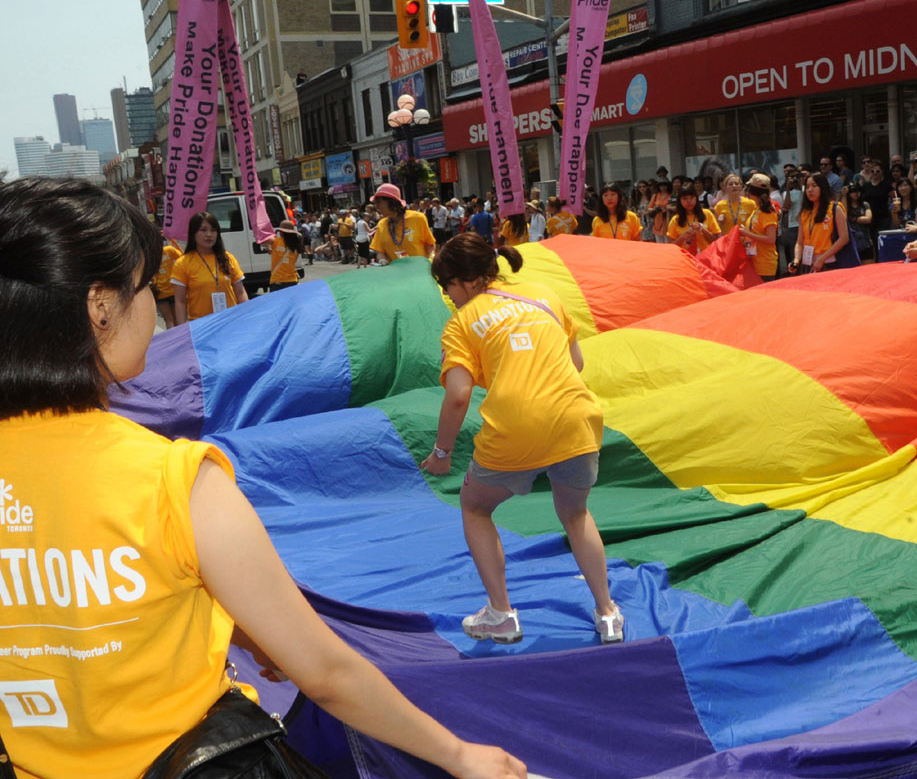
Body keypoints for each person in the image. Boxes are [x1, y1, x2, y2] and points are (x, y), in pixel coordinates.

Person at [0, 177, 526, 779]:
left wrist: (243, 635)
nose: (151, 306)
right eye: (144, 287)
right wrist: (459, 755)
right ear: (100, 307)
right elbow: (326, 673)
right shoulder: (174, 480)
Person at [421, 234, 622, 646]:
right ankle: (608, 613)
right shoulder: (543, 294)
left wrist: (442, 453)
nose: (447, 296)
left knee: (475, 506)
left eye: (447, 286)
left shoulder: (462, 322)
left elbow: (458, 395)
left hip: (516, 426)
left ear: (466, 280)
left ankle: (501, 614)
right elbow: (576, 362)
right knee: (576, 515)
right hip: (576, 418)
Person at [171, 211, 248, 324]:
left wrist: (249, 319)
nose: (209, 234)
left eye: (213, 230)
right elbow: (180, 301)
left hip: (231, 323)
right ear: (193, 233)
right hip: (202, 327)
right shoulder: (183, 263)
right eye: (203, 230)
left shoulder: (228, 258)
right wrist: (182, 331)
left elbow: (240, 293)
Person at [791, 174, 853, 272]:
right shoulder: (805, 212)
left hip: (829, 262)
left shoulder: (835, 208)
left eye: (814, 186)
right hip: (808, 262)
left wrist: (822, 258)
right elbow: (799, 241)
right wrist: (796, 260)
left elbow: (844, 238)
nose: (810, 190)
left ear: (823, 188)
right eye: (807, 187)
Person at [369, 183, 436, 264]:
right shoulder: (381, 224)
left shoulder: (418, 218)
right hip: (397, 275)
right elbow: (380, 251)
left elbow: (430, 245)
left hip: (419, 272)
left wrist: (430, 261)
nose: (376, 206)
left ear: (392, 202)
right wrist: (382, 260)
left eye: (379, 202)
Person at [741, 174, 780, 281]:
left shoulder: (767, 212)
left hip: (765, 264)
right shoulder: (756, 209)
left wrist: (746, 233)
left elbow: (771, 239)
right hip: (755, 261)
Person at [667, 184, 720, 254]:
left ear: (696, 198)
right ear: (680, 201)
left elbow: (717, 240)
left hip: (706, 258)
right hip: (686, 259)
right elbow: (671, 246)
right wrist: (682, 237)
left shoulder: (707, 214)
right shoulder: (675, 220)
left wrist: (703, 230)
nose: (689, 201)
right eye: (685, 198)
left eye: (692, 197)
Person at [152, 233, 182, 330]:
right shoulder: (169, 250)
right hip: (173, 289)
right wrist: (174, 241)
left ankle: (172, 341)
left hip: (160, 292)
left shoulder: (152, 255)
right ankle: (180, 340)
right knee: (178, 319)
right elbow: (182, 257)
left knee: (169, 320)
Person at [712, 174, 755, 240]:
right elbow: (715, 230)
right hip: (728, 243)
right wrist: (720, 222)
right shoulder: (719, 206)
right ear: (725, 188)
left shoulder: (750, 204)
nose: (734, 186)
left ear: (741, 187)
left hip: (746, 243)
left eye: (736, 184)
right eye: (730, 184)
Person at [266, 220, 304, 288]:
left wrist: (268, 246)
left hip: (277, 281)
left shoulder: (276, 241)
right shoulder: (296, 246)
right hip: (293, 281)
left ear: (281, 232)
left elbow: (262, 239)